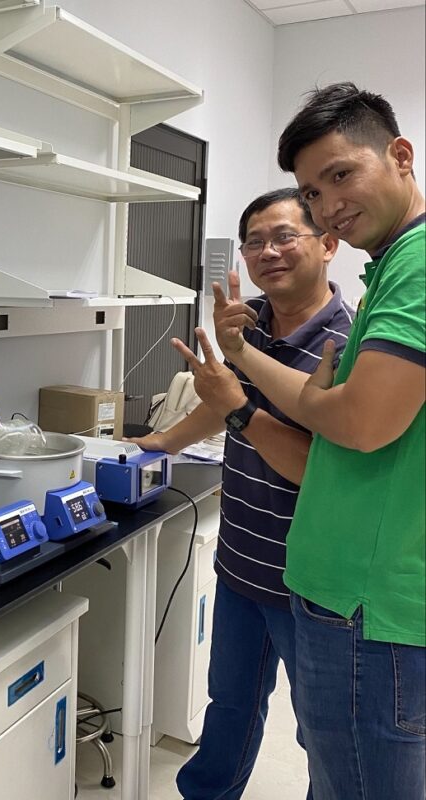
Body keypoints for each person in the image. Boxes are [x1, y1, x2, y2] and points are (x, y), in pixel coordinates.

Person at [203, 83, 425, 800]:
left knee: (348, 773)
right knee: (266, 727)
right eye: (313, 191)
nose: (330, 203)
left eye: (340, 175)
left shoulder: (407, 274)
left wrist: (258, 402)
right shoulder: (385, 269)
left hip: (366, 599)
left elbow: (358, 425)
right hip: (315, 582)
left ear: (400, 156)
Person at [126, 187, 353, 800]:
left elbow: (317, 469)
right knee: (229, 704)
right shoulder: (246, 322)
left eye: (284, 236)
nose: (268, 252)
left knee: (323, 732)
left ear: (328, 244)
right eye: (254, 242)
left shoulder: (348, 344)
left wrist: (237, 406)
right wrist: (160, 442)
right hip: (241, 563)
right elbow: (221, 401)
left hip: (311, 583)